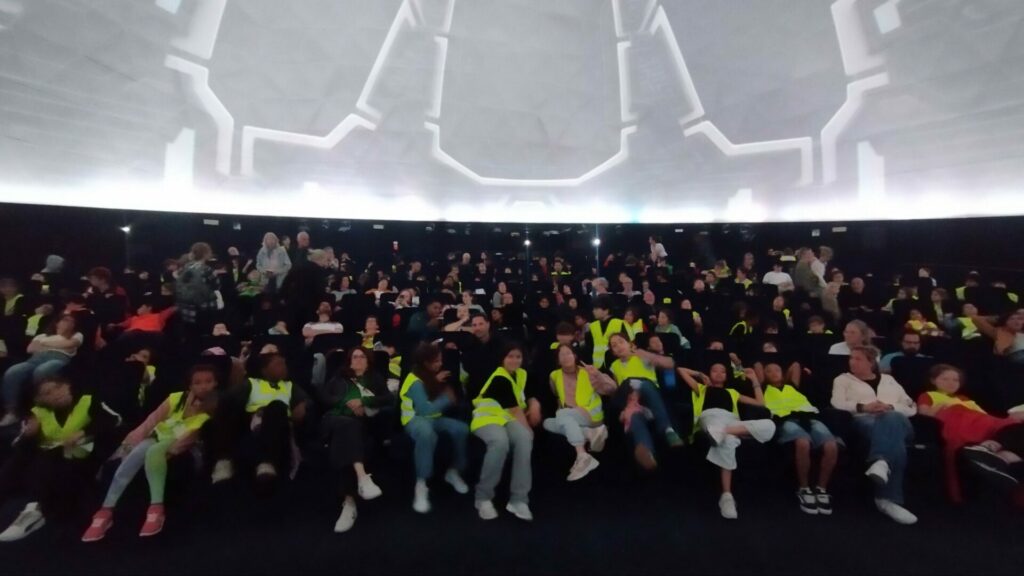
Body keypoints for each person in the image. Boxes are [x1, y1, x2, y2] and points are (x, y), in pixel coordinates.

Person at [82, 365, 219, 542]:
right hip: (160, 436)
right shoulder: (176, 398)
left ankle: (156, 508)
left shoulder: (218, 404)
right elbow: (150, 422)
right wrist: (128, 444)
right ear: (190, 385)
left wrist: (170, 450)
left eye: (208, 381)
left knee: (154, 451)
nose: (203, 386)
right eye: (197, 383)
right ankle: (106, 510)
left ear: (216, 383)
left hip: (186, 445)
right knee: (136, 454)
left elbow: (191, 437)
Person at [0, 375, 117, 542]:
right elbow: (20, 446)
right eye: (47, 393)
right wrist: (29, 434)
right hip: (53, 457)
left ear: (67, 386)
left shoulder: (88, 401)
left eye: (57, 387)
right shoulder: (38, 413)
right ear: (40, 400)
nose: (56, 394)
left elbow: (113, 421)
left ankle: (38, 509)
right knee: (18, 462)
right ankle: (32, 508)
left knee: (48, 461)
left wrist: (83, 432)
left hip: (85, 454)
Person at [831, 346, 918, 524]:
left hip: (899, 421)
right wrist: (864, 407)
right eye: (851, 358)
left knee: (892, 418)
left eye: (858, 359)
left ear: (871, 362)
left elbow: (910, 406)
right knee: (896, 445)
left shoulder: (889, 380)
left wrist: (890, 407)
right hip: (865, 420)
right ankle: (887, 500)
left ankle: (881, 461)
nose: (852, 362)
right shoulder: (843, 380)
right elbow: (837, 403)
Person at [678, 364, 775, 519]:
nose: (718, 373)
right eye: (714, 370)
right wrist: (700, 374)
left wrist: (754, 379)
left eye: (723, 371)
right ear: (709, 373)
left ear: (726, 376)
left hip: (731, 421)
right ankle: (727, 495)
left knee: (770, 425)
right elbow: (681, 370)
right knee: (728, 441)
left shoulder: (733, 392)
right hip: (710, 417)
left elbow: (761, 403)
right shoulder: (702, 388)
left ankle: (721, 432)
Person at [916, 364, 1024, 502]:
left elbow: (984, 415)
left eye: (955, 380)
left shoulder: (965, 398)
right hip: (955, 418)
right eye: (945, 379)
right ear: (933, 380)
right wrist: (944, 405)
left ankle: (1000, 456)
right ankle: (990, 450)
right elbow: (924, 415)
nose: (951, 383)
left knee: (1013, 426)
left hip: (979, 420)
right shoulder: (927, 395)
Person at [317, 348, 394, 532]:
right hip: (334, 419)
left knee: (348, 437)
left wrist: (364, 401)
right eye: (355, 357)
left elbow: (388, 398)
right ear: (349, 361)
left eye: (362, 357)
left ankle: (349, 502)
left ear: (368, 361)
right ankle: (363, 479)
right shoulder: (339, 377)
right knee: (349, 428)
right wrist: (345, 401)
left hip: (358, 426)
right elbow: (323, 396)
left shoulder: (374, 379)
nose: (358, 359)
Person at [209, 352, 308, 484]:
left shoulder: (290, 386)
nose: (284, 367)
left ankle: (267, 463)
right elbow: (227, 399)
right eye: (278, 364)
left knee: (277, 406)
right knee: (230, 406)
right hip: (250, 420)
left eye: (284, 364)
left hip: (277, 422)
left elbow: (304, 406)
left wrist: (301, 406)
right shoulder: (251, 383)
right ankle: (224, 461)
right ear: (264, 370)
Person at [755, 361, 838, 515]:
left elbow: (795, 365)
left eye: (777, 370)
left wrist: (784, 376)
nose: (773, 373)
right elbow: (758, 365)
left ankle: (821, 488)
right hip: (785, 419)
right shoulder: (764, 387)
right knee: (803, 442)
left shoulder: (792, 385)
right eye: (769, 371)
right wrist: (765, 371)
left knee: (831, 445)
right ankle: (804, 488)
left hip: (809, 417)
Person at [589, 333, 682, 470]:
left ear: (630, 344)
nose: (618, 346)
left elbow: (669, 363)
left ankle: (667, 430)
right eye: (614, 345)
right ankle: (647, 452)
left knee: (642, 383)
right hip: (631, 399)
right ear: (613, 352)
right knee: (633, 414)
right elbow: (618, 390)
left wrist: (646, 355)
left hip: (650, 395)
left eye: (621, 342)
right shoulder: (614, 366)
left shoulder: (642, 357)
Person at [471, 345, 541, 521]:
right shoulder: (500, 377)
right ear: (502, 359)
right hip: (487, 418)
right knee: (500, 442)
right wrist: (529, 430)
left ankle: (519, 499)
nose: (515, 360)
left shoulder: (521, 374)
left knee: (524, 439)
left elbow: (528, 395)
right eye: (510, 356)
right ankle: (483, 497)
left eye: (518, 357)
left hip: (506, 418)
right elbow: (515, 409)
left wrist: (534, 404)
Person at [398, 343, 470, 514]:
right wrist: (446, 399)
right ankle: (421, 483)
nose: (440, 364)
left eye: (440, 360)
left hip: (433, 419)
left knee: (461, 429)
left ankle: (453, 471)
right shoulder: (414, 381)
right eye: (436, 361)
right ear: (426, 363)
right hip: (415, 419)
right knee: (427, 434)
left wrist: (437, 382)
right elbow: (424, 410)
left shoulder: (430, 376)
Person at [1, 314, 83, 427]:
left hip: (58, 358)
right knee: (13, 371)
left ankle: (37, 411)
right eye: (65, 320)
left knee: (42, 371)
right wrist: (59, 345)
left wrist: (44, 343)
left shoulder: (77, 335)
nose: (69, 323)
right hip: (35, 359)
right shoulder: (42, 335)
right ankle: (12, 411)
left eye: (72, 321)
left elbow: (70, 344)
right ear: (57, 322)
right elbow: (30, 349)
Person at [544, 344, 608, 481]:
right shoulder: (554, 375)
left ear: (575, 356)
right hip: (571, 416)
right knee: (547, 423)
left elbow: (610, 389)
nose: (566, 357)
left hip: (591, 413)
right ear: (558, 360)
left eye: (569, 353)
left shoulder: (588, 371)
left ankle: (582, 455)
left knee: (561, 415)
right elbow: (556, 394)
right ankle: (589, 433)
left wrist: (598, 376)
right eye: (562, 355)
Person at [585, 296, 623, 369]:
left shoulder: (620, 323)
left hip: (616, 366)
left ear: (606, 310)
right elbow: (589, 348)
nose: (593, 311)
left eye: (596, 309)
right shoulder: (593, 326)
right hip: (597, 367)